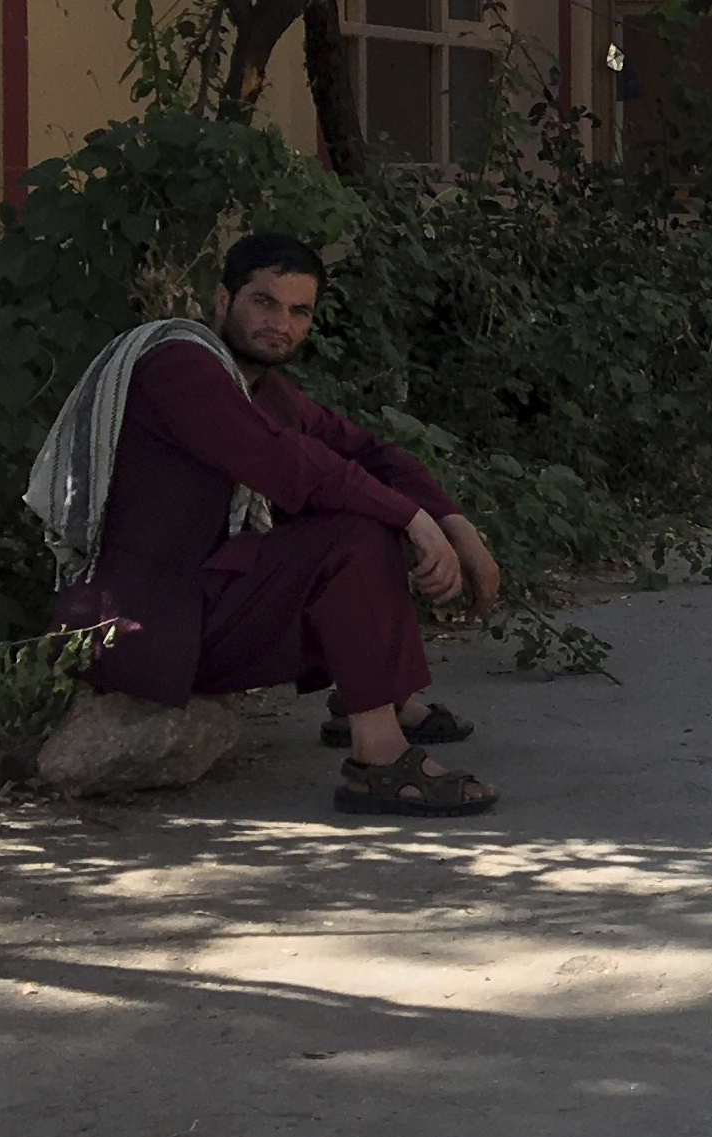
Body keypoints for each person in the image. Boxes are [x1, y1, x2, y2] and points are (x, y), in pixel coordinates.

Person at [25, 235, 504, 815]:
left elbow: (363, 452)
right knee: (354, 535)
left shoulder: (259, 388)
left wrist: (453, 523)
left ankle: (381, 696)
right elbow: (285, 464)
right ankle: (378, 761)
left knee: (360, 512)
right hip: (144, 627)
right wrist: (413, 521)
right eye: (264, 302)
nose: (281, 324)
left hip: (199, 605)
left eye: (299, 311)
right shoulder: (178, 365)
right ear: (222, 299)